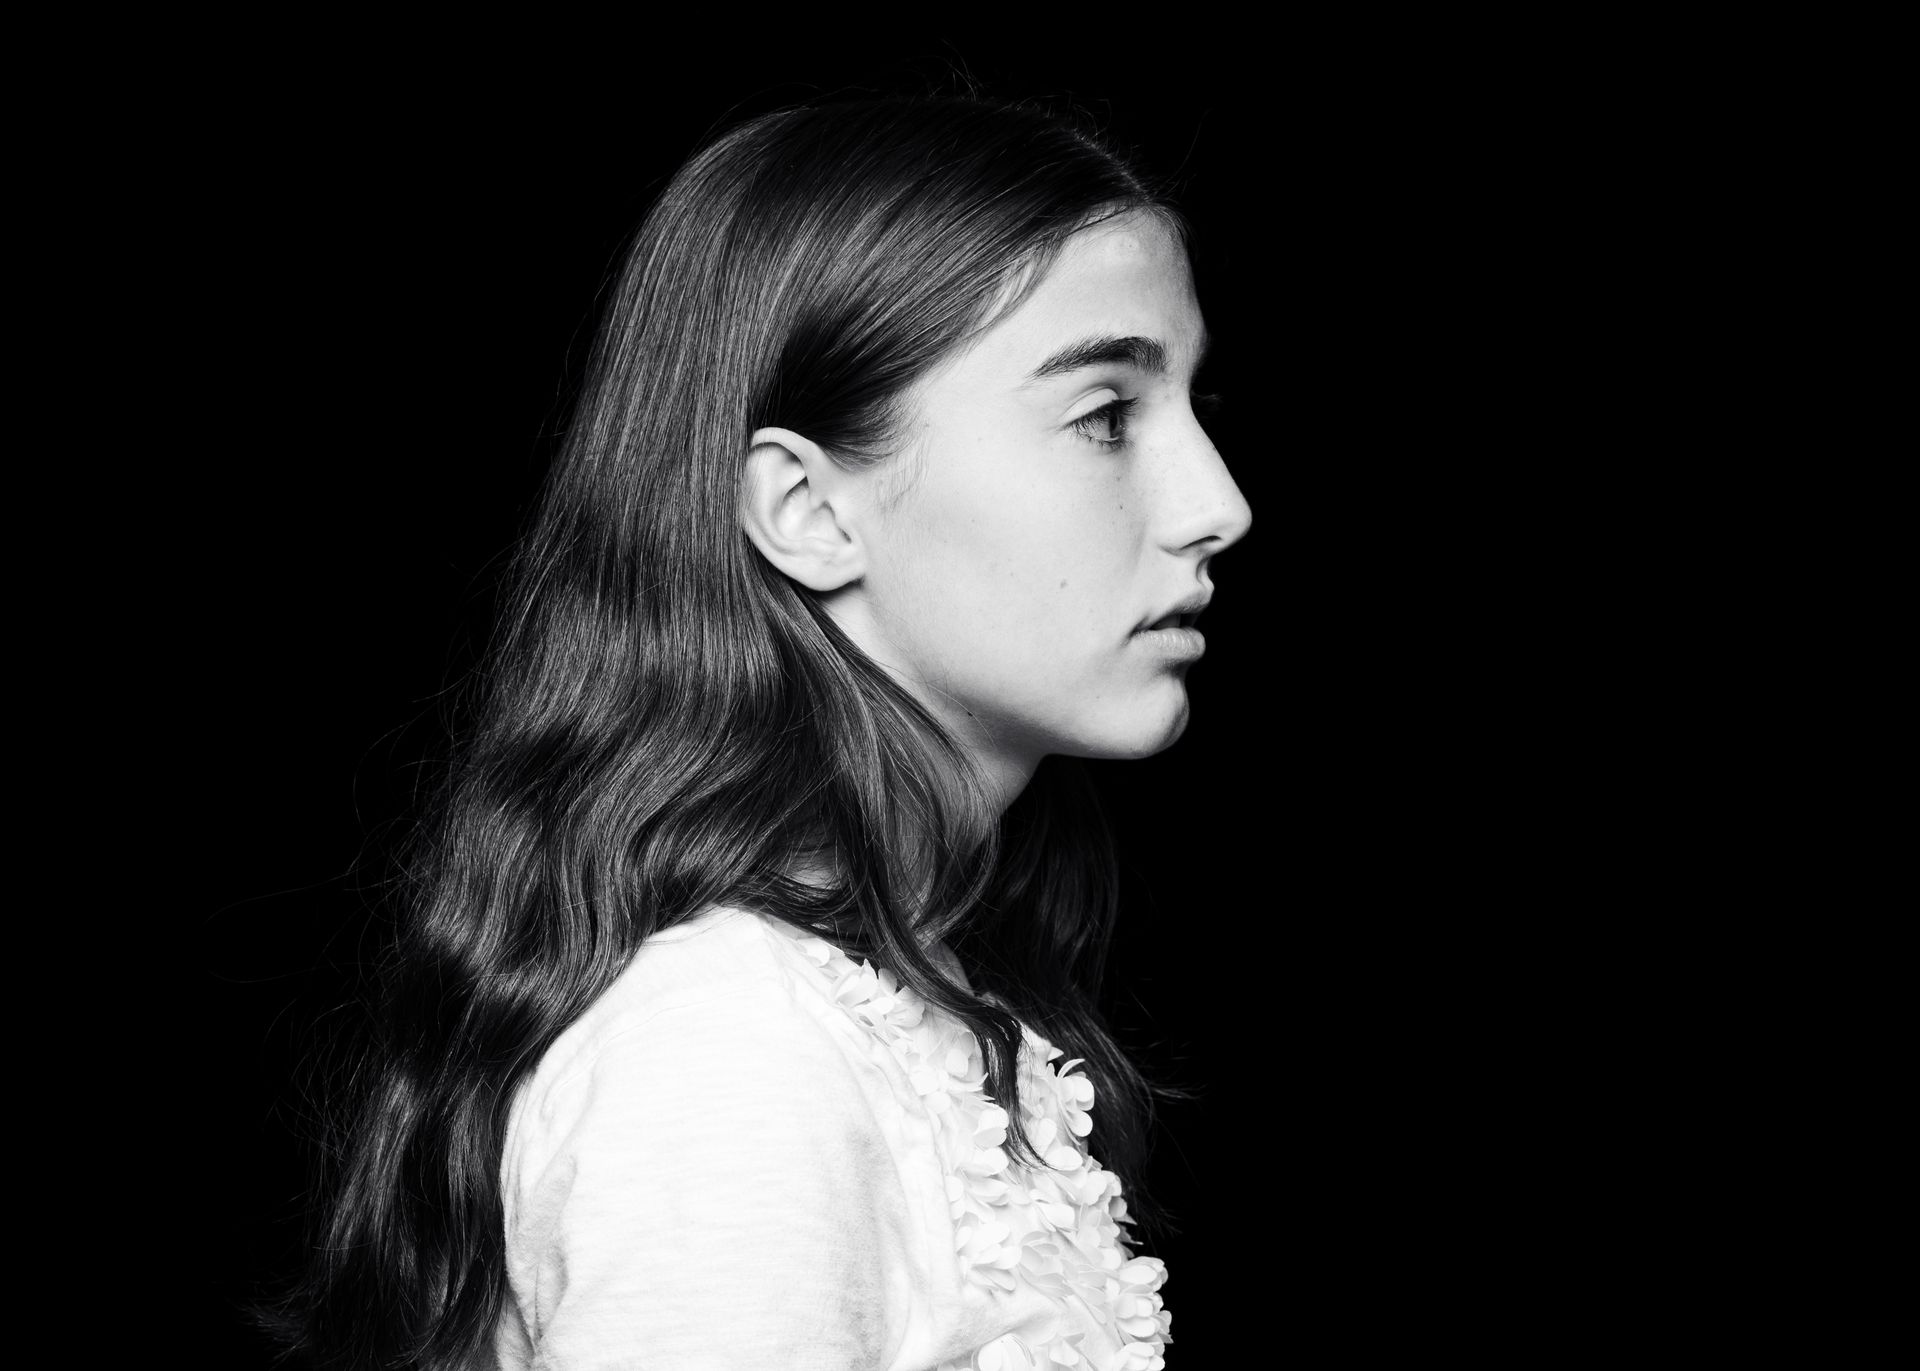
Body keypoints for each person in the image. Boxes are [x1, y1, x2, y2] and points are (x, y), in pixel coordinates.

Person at [273, 93, 1251, 1370]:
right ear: (806, 508)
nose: (1218, 504)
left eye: (1194, 406)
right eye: (1105, 417)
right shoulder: (729, 1053)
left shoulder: (908, 1004)